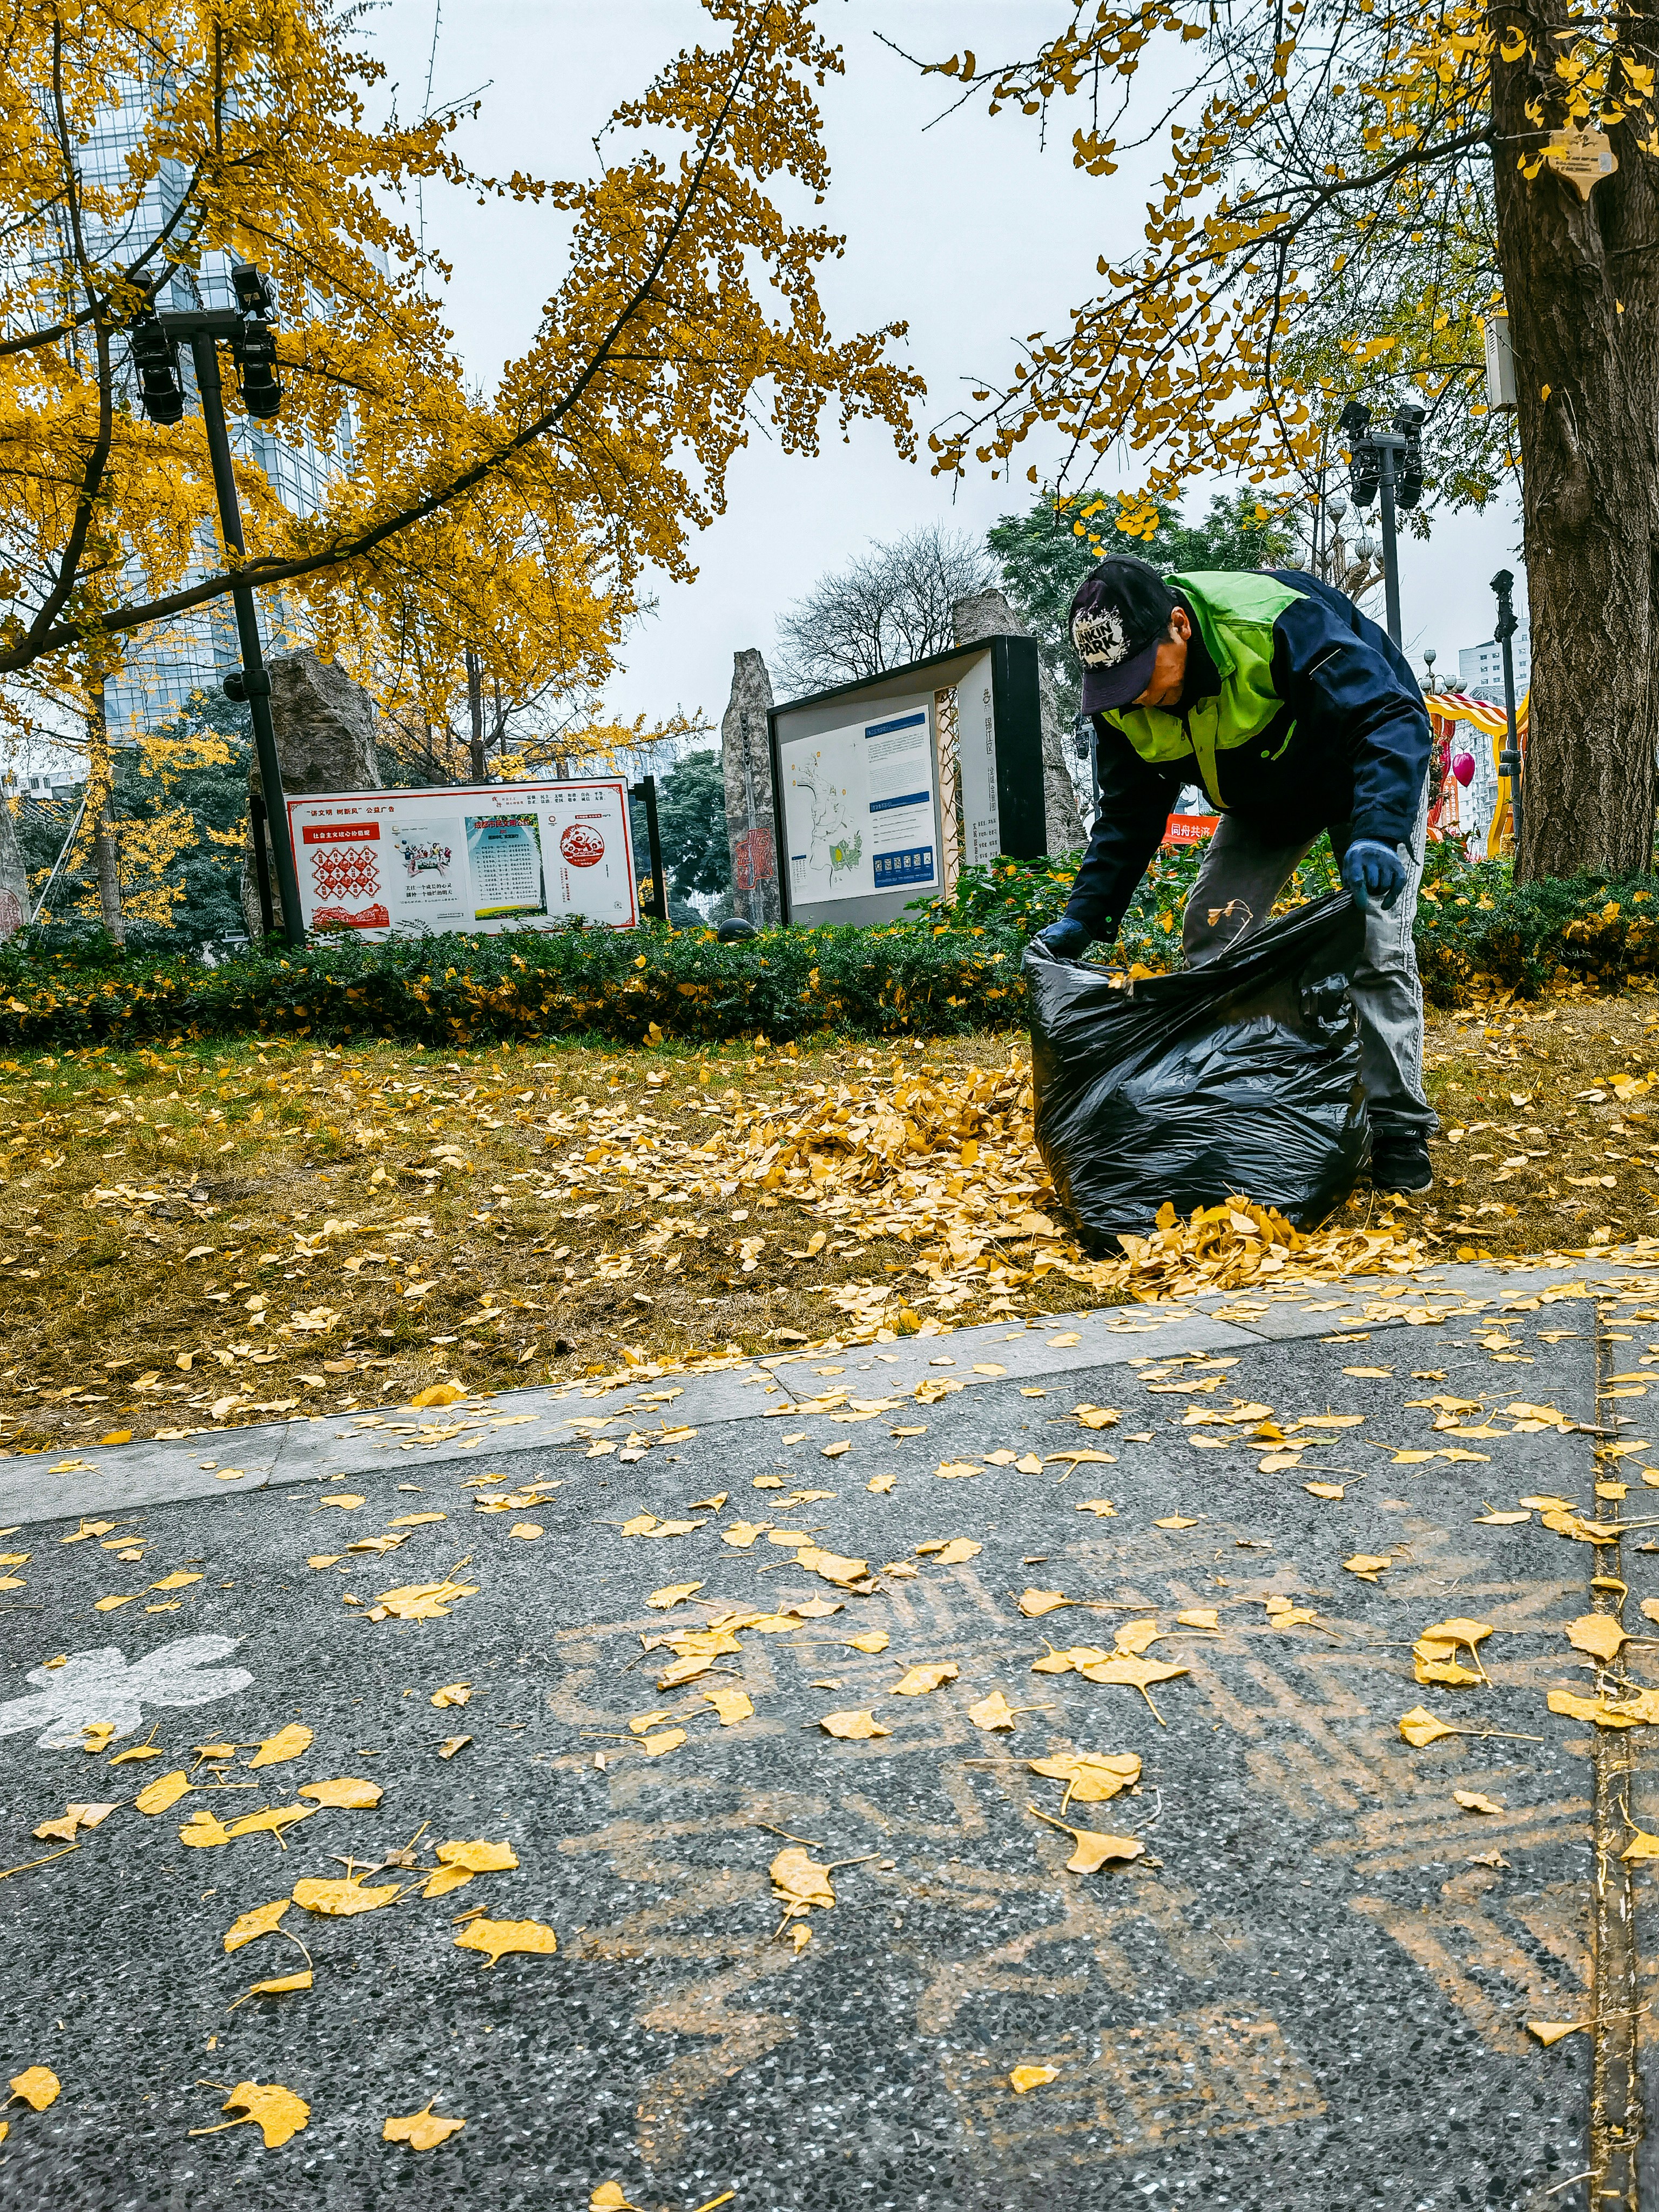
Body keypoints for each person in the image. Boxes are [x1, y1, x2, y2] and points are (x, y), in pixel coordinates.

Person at [1035, 556, 1436, 1193]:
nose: (1139, 696)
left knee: (1378, 939)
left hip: (1366, 767)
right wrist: (1085, 918)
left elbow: (1388, 719)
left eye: (1145, 674)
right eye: (1120, 688)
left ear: (1179, 626)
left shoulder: (1271, 621)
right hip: (1266, 794)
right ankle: (1233, 1099)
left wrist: (1380, 832)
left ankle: (1398, 1129)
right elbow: (1127, 818)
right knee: (1212, 928)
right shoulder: (1122, 702)